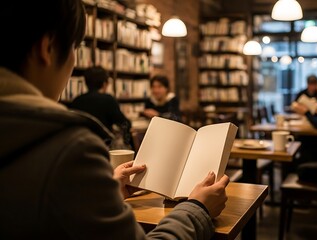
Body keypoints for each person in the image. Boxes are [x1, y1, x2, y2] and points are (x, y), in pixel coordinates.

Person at [0, 1, 229, 239]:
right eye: (74, 49)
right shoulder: (70, 150)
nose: (74, 63)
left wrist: (98, 196)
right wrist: (197, 209)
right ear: (47, 49)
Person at [70, 66, 133, 148]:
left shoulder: (76, 101)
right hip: (103, 146)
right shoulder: (108, 99)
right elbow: (124, 123)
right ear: (104, 83)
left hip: (81, 145)